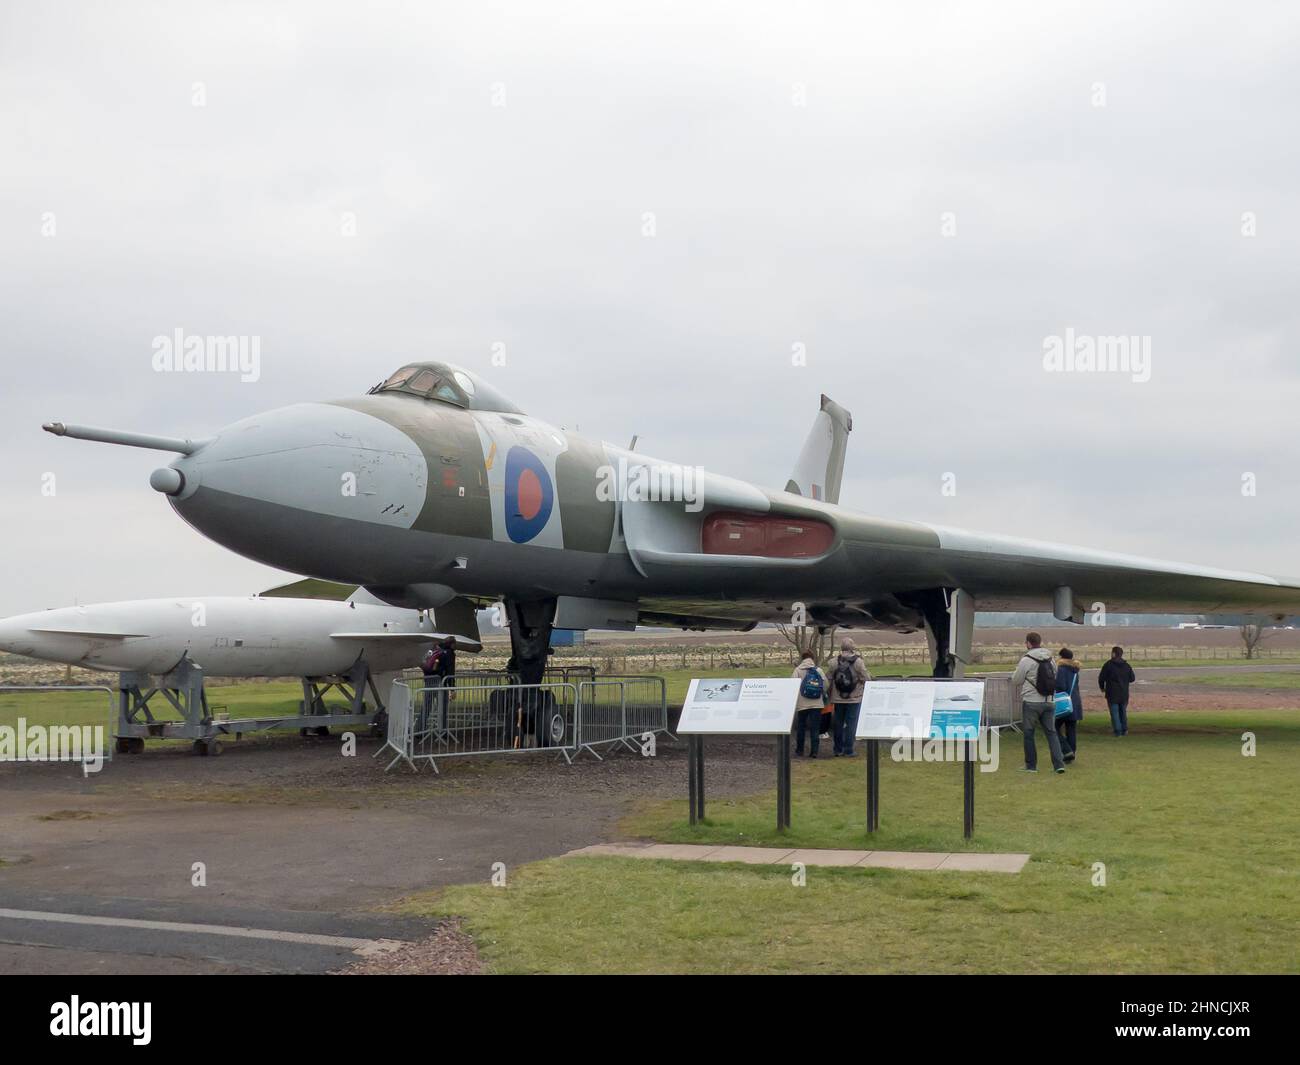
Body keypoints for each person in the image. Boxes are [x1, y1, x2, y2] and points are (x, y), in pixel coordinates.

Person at [1011, 631, 1066, 773]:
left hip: (1031, 701)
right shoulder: (1051, 659)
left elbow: (1016, 680)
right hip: (1049, 700)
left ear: (1028, 643)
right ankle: (1059, 764)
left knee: (1029, 733)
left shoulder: (1026, 660)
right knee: (1051, 733)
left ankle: (1031, 766)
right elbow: (1055, 675)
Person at [827, 638, 869, 757]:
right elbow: (866, 678)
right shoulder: (858, 662)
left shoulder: (833, 662)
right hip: (854, 698)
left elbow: (829, 678)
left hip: (837, 698)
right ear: (852, 647)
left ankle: (837, 749)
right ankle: (848, 749)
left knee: (838, 723)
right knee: (851, 724)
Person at [792, 648, 829, 758]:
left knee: (801, 727)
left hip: (802, 703)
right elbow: (826, 685)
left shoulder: (797, 670)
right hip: (817, 703)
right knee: (815, 727)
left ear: (802, 658)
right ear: (812, 658)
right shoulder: (818, 670)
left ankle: (800, 750)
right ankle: (814, 751)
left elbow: (792, 685)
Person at [1098, 645, 1135, 736]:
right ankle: (1124, 729)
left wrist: (1102, 687)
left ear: (1113, 653)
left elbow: (1101, 678)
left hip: (1112, 692)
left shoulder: (1108, 665)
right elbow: (1132, 678)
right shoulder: (1127, 666)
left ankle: (1117, 730)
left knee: (1114, 713)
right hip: (1124, 693)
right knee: (1123, 712)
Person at [1054, 647, 1083, 763]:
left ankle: (1066, 750)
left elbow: (1061, 686)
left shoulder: (1061, 669)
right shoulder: (1075, 670)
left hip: (1063, 702)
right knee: (1071, 729)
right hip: (1074, 702)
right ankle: (1071, 753)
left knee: (1053, 727)